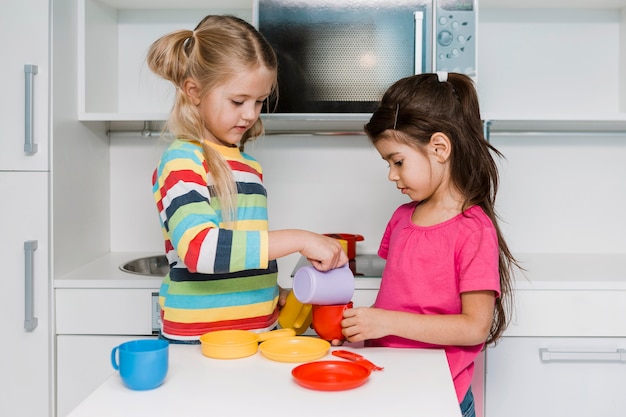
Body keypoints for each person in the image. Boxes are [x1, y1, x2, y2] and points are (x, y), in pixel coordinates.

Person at [146, 15, 348, 343]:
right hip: (199, 342)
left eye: (259, 101)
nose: (251, 114)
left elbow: (243, 252)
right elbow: (200, 250)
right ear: (194, 91)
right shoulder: (183, 160)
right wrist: (300, 238)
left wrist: (272, 292)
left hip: (257, 334)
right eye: (239, 101)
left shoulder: (249, 166)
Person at [342, 72, 519, 417]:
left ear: (439, 148)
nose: (392, 175)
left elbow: (474, 327)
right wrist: (356, 325)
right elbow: (399, 298)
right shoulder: (401, 218)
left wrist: (385, 322)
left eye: (397, 161)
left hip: (437, 395)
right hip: (389, 384)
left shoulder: (473, 230)